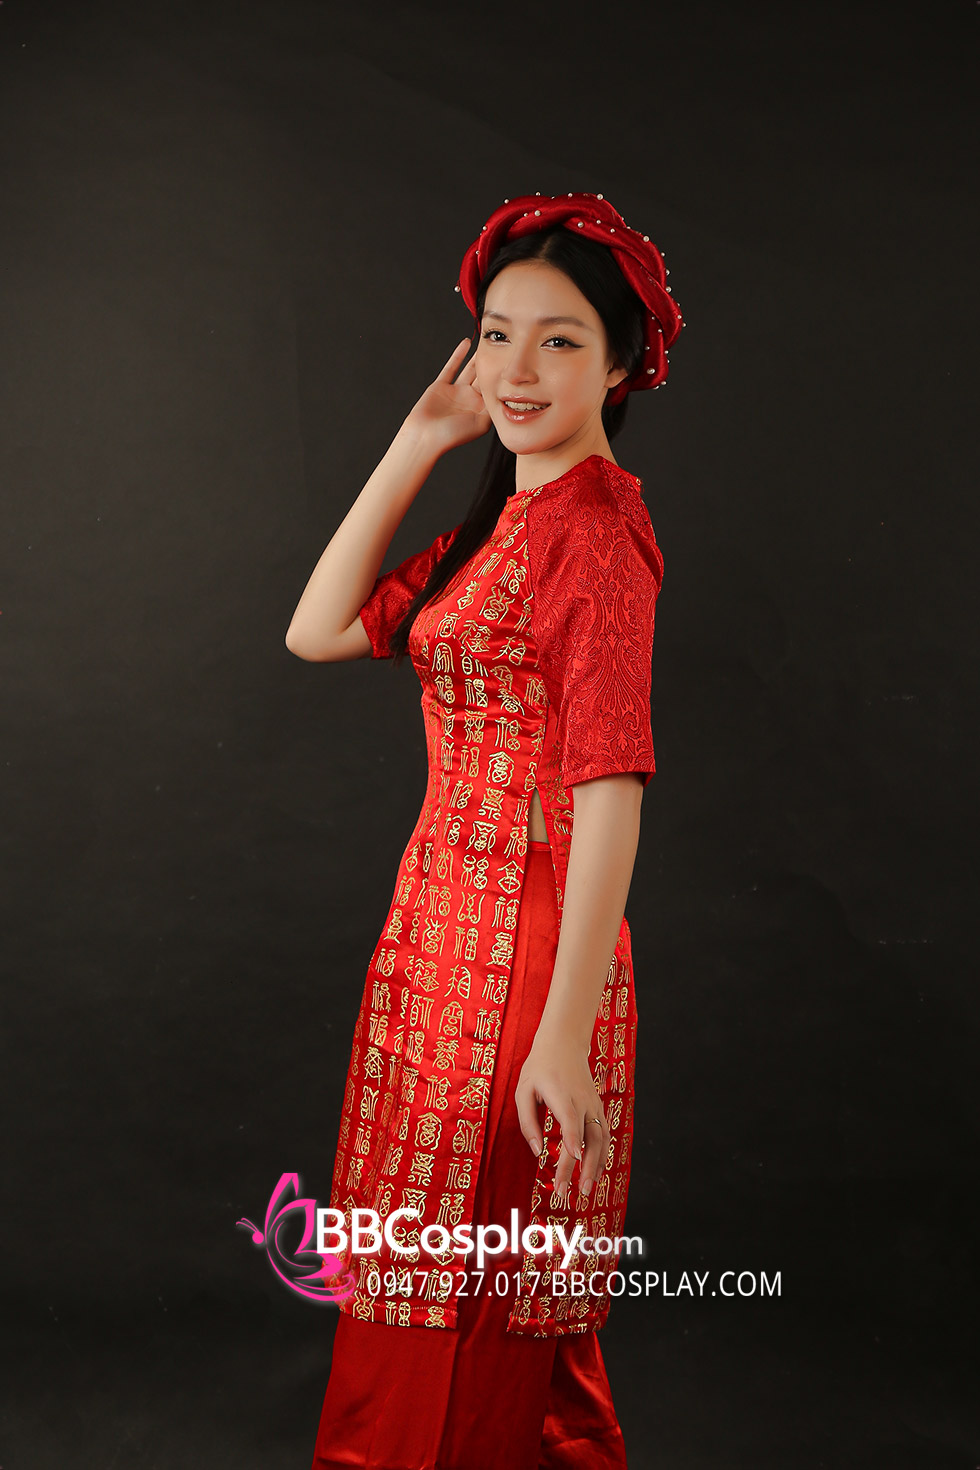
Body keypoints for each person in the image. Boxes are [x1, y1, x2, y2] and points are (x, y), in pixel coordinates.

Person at [285, 191, 684, 1470]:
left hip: (524, 956)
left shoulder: (595, 533)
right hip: (434, 943)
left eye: (559, 340)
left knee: (478, 1294)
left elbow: (608, 783)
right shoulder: (505, 521)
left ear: (619, 365)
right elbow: (317, 629)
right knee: (419, 1280)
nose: (516, 369)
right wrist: (418, 440)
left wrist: (562, 1034)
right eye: (497, 334)